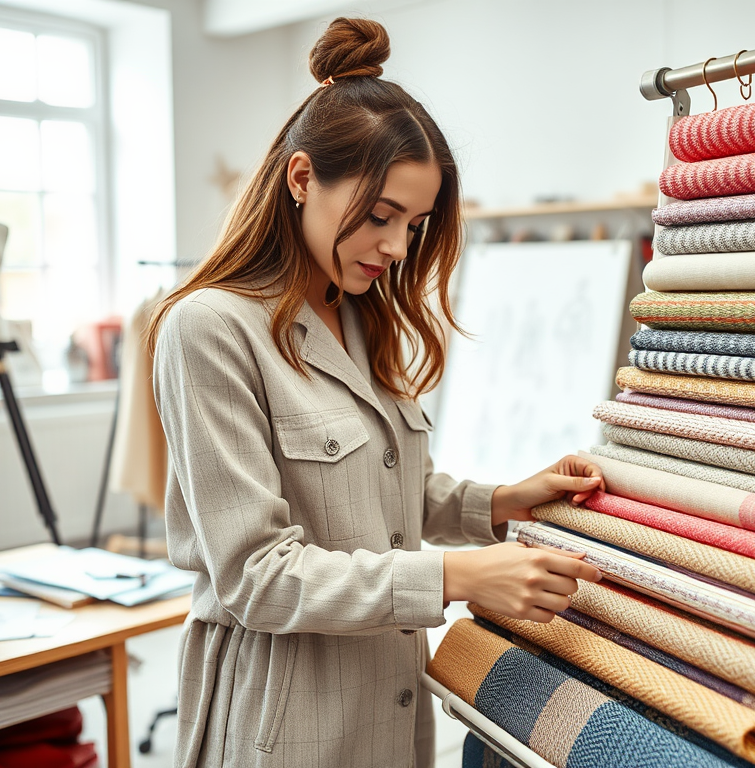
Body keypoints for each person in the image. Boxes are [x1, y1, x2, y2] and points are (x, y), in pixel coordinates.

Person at [148, 17, 605, 768]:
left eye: (414, 224)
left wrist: (497, 504)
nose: (397, 248)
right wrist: (458, 576)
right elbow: (258, 576)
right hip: (284, 715)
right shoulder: (208, 331)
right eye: (382, 216)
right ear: (302, 179)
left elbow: (384, 501)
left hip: (389, 702)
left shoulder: (358, 316)